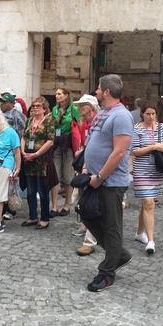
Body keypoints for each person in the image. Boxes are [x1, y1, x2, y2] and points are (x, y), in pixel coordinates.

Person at [82, 74, 134, 292]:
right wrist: (86, 167)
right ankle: (119, 255)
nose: (96, 92)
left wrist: (100, 177)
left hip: (110, 181)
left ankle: (107, 273)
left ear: (107, 91)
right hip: (94, 178)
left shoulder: (122, 116)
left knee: (111, 226)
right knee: (86, 213)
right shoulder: (103, 113)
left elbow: (120, 151)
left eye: (98, 88)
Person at [131, 101, 163, 254]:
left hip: (157, 170)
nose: (151, 117)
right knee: (149, 203)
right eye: (148, 114)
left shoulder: (161, 128)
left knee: (146, 203)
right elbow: (135, 151)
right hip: (142, 170)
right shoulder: (136, 129)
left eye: (153, 114)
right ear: (142, 114)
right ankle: (150, 241)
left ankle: (139, 232)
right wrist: (154, 147)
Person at [71, 94, 99, 256]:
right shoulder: (85, 123)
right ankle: (87, 226)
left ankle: (91, 234)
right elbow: (84, 143)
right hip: (86, 165)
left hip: (95, 167)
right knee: (85, 197)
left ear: (91, 106)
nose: (79, 108)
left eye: (82, 105)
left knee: (94, 202)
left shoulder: (97, 121)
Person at [20, 97, 55, 230]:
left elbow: (50, 141)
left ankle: (45, 218)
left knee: (42, 189)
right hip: (28, 158)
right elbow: (24, 137)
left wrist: (36, 154)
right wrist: (23, 152)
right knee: (31, 190)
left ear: (44, 109)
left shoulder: (48, 122)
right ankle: (32, 216)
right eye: (33, 106)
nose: (34, 108)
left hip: (41, 159)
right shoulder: (29, 121)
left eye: (38, 106)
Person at [50, 86, 81, 217]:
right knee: (55, 175)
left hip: (68, 144)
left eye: (59, 94)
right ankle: (54, 206)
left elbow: (79, 126)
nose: (56, 96)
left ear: (66, 95)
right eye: (56, 94)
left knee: (68, 175)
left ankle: (67, 204)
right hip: (57, 143)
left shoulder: (73, 109)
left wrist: (80, 145)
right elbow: (52, 124)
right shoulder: (54, 109)